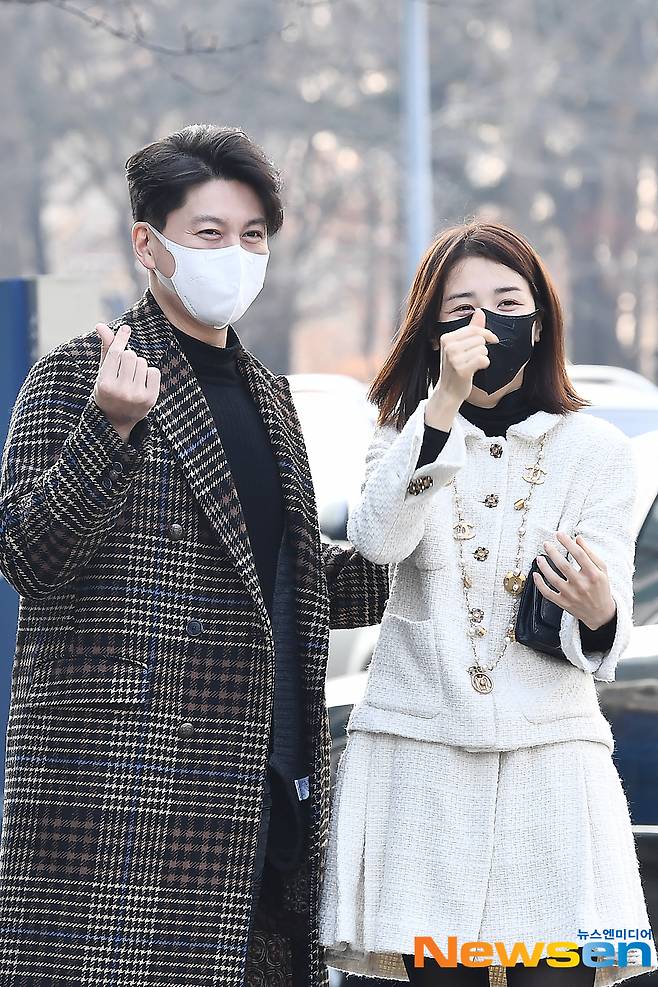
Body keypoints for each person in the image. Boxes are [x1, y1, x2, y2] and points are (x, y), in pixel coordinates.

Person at [0, 123, 389, 987]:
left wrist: (424, 516)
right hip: (124, 820)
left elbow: (293, 580)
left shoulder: (270, 395)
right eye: (209, 233)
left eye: (252, 236)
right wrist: (111, 427)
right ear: (149, 243)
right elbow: (27, 554)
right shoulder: (77, 375)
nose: (236, 255)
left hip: (263, 808)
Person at [318, 221, 658, 987]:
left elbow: (604, 612)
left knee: (561, 978)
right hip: (423, 762)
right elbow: (377, 539)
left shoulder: (595, 448)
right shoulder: (402, 436)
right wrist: (441, 405)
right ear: (432, 330)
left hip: (553, 766)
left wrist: (600, 607)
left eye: (506, 302)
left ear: (537, 323)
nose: (484, 324)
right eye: (460, 308)